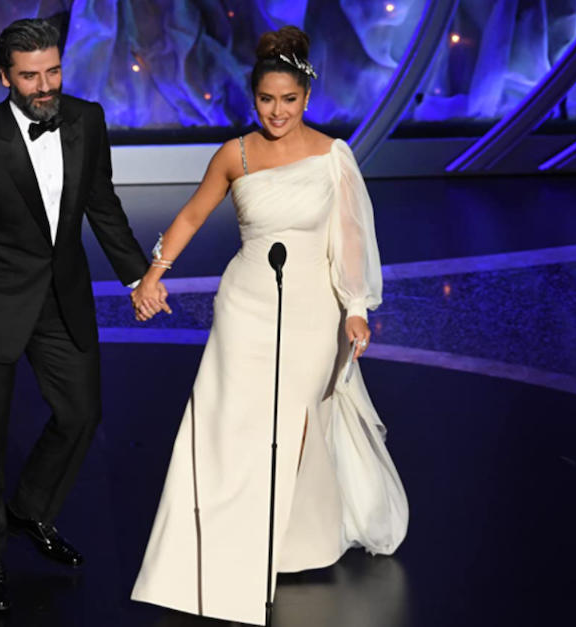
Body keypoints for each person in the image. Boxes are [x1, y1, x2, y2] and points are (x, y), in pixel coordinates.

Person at [129, 26, 409, 626]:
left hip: (315, 310)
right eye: (265, 100)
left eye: (288, 100)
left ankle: (291, 541)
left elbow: (351, 238)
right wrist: (153, 275)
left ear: (305, 97)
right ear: (252, 99)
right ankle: (225, 541)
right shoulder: (236, 154)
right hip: (247, 303)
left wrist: (356, 305)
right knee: (231, 419)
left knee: (298, 416)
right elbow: (192, 214)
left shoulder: (334, 156)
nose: (277, 111)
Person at [0, 18, 169, 612]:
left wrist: (138, 276)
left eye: (53, 70)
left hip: (63, 297)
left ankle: (30, 510)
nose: (45, 85)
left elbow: (102, 205)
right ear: (4, 77)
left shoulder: (86, 120)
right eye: (31, 75)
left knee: (81, 413)